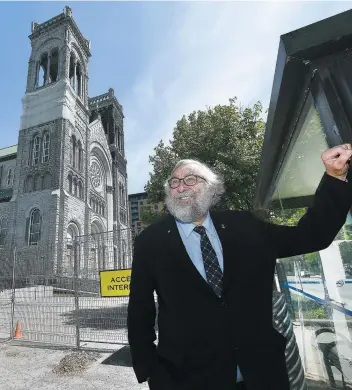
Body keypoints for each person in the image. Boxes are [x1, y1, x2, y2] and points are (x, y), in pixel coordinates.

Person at [127, 144, 352, 390]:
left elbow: (310, 235)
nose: (180, 187)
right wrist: (149, 370)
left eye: (190, 179)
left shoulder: (245, 225)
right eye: (174, 182)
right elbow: (140, 311)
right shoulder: (150, 241)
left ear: (211, 188)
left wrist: (335, 177)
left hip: (262, 374)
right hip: (185, 379)